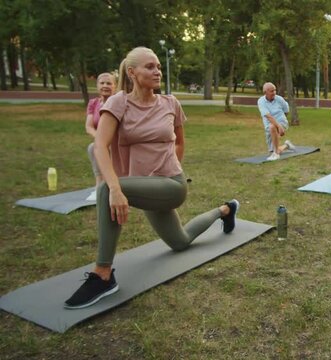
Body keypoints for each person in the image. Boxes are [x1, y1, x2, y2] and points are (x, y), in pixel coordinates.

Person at [64, 47, 239, 309]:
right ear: (132, 72)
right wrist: (116, 187)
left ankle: (103, 275)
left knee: (105, 191)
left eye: (158, 66)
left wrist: (168, 168)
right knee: (180, 242)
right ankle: (227, 209)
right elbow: (99, 146)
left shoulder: (170, 103)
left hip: (171, 185)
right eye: (149, 66)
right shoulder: (118, 103)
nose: (157, 71)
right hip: (144, 186)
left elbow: (179, 143)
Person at [85, 72, 116, 201]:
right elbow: (89, 126)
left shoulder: (117, 102)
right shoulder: (93, 103)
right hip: (102, 142)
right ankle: (99, 186)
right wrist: (100, 139)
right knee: (93, 148)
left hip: (116, 142)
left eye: (109, 83)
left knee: (97, 148)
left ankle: (111, 186)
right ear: (97, 86)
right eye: (102, 83)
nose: (105, 86)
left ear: (115, 86)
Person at [257, 82, 295, 161]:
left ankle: (276, 154)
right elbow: (268, 116)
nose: (274, 93)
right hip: (270, 126)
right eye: (271, 91)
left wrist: (281, 123)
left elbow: (286, 111)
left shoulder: (279, 99)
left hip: (281, 123)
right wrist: (278, 126)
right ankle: (286, 145)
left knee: (272, 126)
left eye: (275, 90)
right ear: (265, 92)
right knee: (273, 149)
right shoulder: (261, 101)